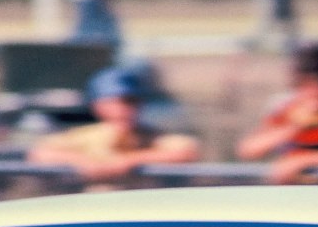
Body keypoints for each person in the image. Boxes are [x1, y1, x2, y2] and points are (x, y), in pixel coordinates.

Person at [28, 65, 200, 186]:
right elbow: (40, 154)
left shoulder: (150, 136)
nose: (125, 109)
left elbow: (186, 151)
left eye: (132, 102)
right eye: (117, 102)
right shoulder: (86, 136)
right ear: (98, 105)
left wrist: (129, 161)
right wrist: (83, 162)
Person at [236, 42, 318, 185]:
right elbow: (248, 150)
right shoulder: (285, 109)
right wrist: (295, 126)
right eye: (307, 84)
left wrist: (303, 160)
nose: (315, 91)